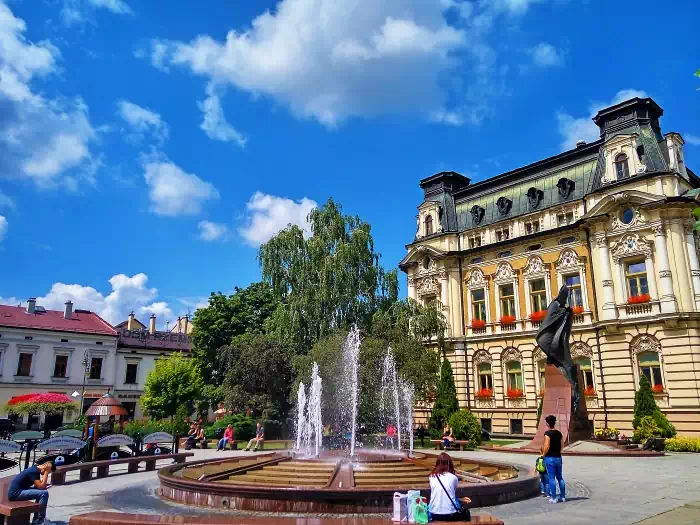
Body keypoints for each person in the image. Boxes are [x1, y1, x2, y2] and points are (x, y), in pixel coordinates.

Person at [428, 453, 471, 522]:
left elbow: (444, 494)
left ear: (437, 464)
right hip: (450, 515)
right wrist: (461, 500)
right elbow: (450, 494)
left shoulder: (431, 477)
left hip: (434, 514)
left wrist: (461, 499)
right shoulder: (453, 478)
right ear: (449, 464)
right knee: (466, 513)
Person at [541, 415, 565, 503]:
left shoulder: (547, 434)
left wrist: (543, 454)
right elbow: (562, 445)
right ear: (554, 423)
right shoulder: (559, 433)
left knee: (551, 478)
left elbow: (546, 446)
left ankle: (554, 497)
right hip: (558, 457)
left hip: (550, 458)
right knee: (560, 477)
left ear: (547, 423)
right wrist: (558, 452)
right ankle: (562, 497)